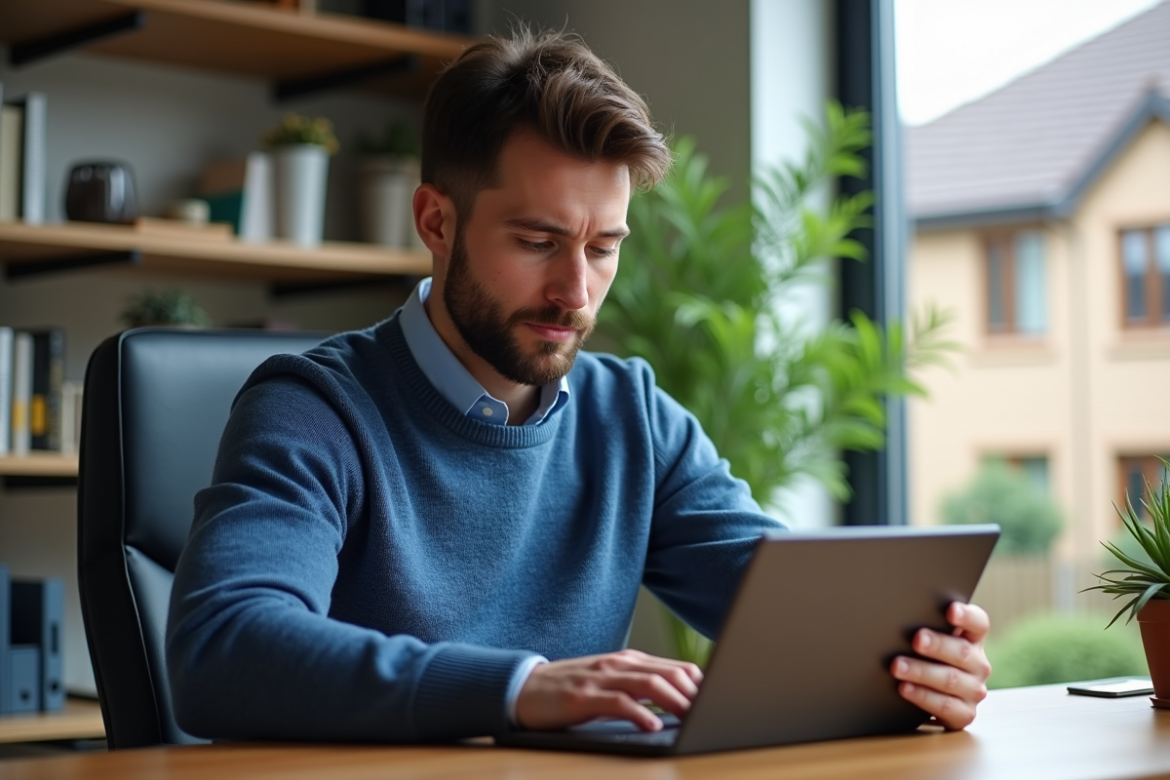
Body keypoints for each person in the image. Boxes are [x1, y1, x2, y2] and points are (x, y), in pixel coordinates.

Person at [166, 28, 991, 743]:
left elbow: (791, 610)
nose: (577, 290)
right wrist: (520, 688)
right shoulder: (314, 409)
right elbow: (225, 648)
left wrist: (921, 660)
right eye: (537, 240)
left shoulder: (631, 419)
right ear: (436, 222)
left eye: (603, 248)